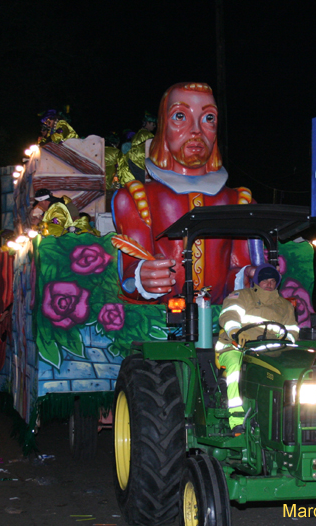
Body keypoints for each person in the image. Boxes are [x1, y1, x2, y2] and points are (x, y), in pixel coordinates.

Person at [113, 82, 253, 305]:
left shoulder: (240, 202)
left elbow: (235, 275)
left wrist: (246, 278)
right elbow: (129, 279)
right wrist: (143, 276)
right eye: (180, 116)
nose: (196, 129)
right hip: (161, 325)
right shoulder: (135, 199)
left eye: (208, 118)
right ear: (163, 125)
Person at [215, 265, 298, 430]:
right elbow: (229, 315)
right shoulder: (240, 296)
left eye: (273, 280)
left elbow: (293, 331)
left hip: (270, 353)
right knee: (235, 367)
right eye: (265, 279)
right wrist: (236, 333)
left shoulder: (285, 305)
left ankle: (288, 422)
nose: (269, 283)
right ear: (257, 281)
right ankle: (237, 419)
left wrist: (284, 343)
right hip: (235, 348)